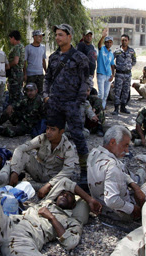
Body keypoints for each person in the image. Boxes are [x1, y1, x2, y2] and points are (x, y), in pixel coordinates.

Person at [0, 177, 101, 256]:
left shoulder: (71, 221)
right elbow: (65, 182)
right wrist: (90, 199)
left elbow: (70, 242)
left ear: (74, 205)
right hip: (8, 221)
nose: (65, 195)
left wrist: (51, 217)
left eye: (70, 196)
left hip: (23, 237)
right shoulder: (47, 202)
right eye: (62, 193)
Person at [43, 24, 90, 189]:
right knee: (54, 135)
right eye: (56, 35)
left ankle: (84, 171)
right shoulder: (54, 57)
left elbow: (85, 82)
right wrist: (46, 96)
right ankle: (54, 167)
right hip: (55, 103)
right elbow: (47, 78)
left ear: (70, 37)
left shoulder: (80, 58)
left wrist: (78, 102)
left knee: (78, 136)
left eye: (61, 35)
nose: (57, 38)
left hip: (72, 103)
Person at [88, 125, 146, 222]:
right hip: (121, 213)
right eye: (125, 145)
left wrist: (134, 186)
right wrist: (133, 209)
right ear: (112, 142)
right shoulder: (112, 166)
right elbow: (112, 200)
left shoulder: (94, 153)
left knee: (136, 176)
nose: (127, 151)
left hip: (103, 208)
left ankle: (141, 173)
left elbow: (119, 174)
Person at [9, 117, 79, 198]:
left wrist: (49, 185)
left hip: (54, 179)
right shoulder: (42, 138)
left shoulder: (68, 147)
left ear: (61, 132)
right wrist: (15, 171)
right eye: (47, 128)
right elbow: (20, 148)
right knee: (24, 155)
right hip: (40, 172)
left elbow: (68, 171)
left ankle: (29, 185)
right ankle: (16, 179)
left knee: (64, 185)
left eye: (53, 129)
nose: (48, 132)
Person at [111, 34, 136, 115]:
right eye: (122, 40)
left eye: (125, 40)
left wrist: (129, 66)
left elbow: (134, 61)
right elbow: (111, 60)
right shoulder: (117, 51)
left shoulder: (132, 51)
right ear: (120, 41)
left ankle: (123, 107)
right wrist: (115, 67)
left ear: (128, 41)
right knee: (117, 91)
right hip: (119, 74)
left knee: (126, 91)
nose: (124, 42)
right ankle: (116, 108)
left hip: (128, 75)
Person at [96, 30, 115, 109]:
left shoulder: (111, 53)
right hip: (101, 74)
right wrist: (103, 36)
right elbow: (99, 44)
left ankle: (102, 109)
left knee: (106, 94)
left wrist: (113, 75)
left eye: (110, 42)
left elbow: (112, 65)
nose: (109, 44)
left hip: (108, 75)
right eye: (107, 42)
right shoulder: (102, 49)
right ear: (105, 43)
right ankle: (98, 108)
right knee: (101, 93)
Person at [7, 30, 25, 103]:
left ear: (13, 38)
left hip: (15, 73)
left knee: (14, 94)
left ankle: (13, 110)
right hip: (19, 73)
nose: (10, 40)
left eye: (10, 38)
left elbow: (15, 61)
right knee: (18, 93)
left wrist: (6, 66)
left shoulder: (17, 47)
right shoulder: (22, 46)